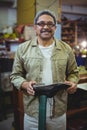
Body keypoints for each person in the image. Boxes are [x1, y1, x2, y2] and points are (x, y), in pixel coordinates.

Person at [10, 10, 79, 130]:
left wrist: (73, 83)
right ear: (35, 27)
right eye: (41, 23)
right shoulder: (23, 49)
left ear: (55, 27)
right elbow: (15, 75)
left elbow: (73, 72)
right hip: (32, 113)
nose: (46, 27)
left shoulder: (66, 49)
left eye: (50, 24)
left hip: (58, 113)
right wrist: (24, 84)